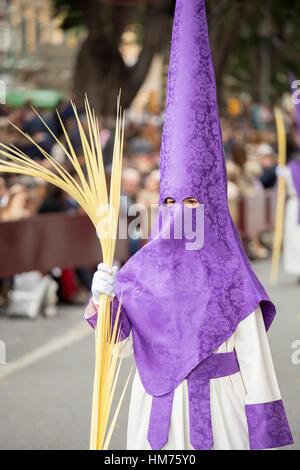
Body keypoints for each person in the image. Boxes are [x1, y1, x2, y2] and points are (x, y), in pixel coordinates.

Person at [84, 0, 293, 450]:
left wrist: (264, 432)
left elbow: (256, 361)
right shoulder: (142, 269)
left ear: (213, 208)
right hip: (154, 412)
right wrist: (105, 299)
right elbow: (119, 346)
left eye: (193, 201)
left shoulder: (234, 275)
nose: (181, 212)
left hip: (219, 410)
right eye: (172, 201)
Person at [277, 157, 300, 279]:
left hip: (295, 204)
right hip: (295, 205)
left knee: (295, 236)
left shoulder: (289, 169)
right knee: (293, 236)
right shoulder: (290, 169)